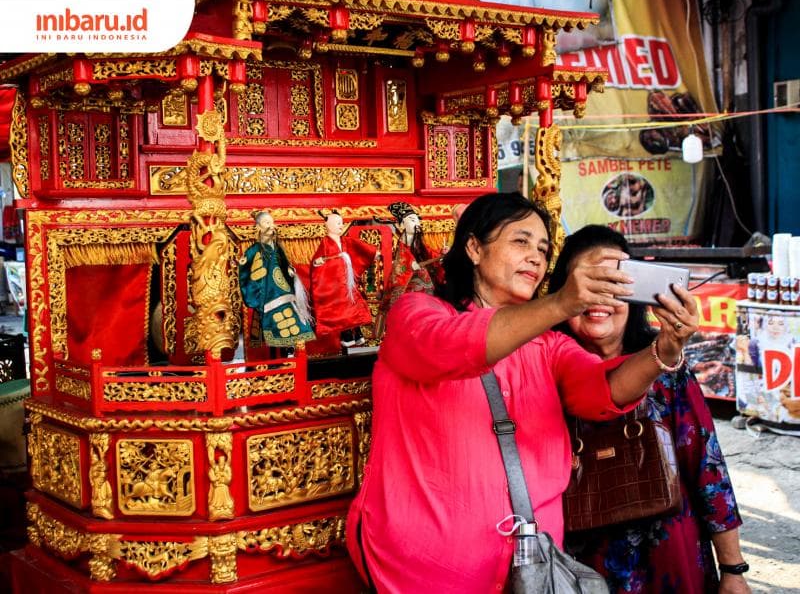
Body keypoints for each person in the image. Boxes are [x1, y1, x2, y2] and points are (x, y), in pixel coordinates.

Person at [346, 193, 700, 593]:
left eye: (543, 249)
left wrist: (665, 349)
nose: (535, 256)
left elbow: (602, 389)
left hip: (532, 568)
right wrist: (560, 303)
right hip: (426, 570)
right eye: (520, 241)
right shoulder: (417, 313)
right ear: (474, 247)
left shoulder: (548, 345)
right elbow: (451, 344)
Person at [549, 224, 750, 594]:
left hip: (673, 558)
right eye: (591, 284)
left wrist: (734, 570)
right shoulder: (542, 369)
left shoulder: (667, 368)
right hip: (581, 567)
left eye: (616, 285)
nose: (602, 299)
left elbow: (706, 466)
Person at [238, 210, 315, 348]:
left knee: (295, 320)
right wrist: (256, 290)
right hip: (268, 293)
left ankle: (291, 351)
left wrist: (290, 271)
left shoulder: (277, 247)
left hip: (284, 289)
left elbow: (284, 263)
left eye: (272, 222)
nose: (271, 226)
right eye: (267, 223)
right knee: (278, 322)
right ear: (258, 227)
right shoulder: (253, 251)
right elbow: (244, 272)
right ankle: (280, 353)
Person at [310, 210, 379, 348]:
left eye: (342, 223)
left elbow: (360, 246)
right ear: (328, 225)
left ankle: (358, 333)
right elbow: (316, 260)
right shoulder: (325, 243)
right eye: (338, 223)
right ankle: (347, 336)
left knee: (353, 306)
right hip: (335, 284)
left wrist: (372, 252)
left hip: (347, 281)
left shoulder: (345, 241)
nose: (341, 226)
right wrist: (318, 262)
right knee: (342, 311)